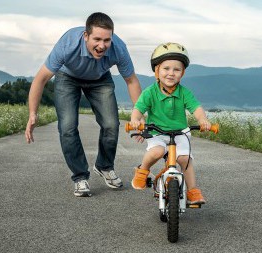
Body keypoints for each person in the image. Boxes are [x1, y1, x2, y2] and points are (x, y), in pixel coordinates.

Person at [25, 12, 142, 197]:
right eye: (97, 39)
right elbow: (41, 79)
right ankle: (80, 177)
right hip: (67, 77)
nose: (102, 45)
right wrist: (33, 113)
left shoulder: (118, 47)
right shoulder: (68, 44)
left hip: (100, 78)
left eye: (107, 40)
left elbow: (132, 81)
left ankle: (104, 166)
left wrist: (139, 114)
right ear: (86, 36)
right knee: (68, 126)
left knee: (111, 124)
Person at [128, 42, 210, 204]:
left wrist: (203, 120)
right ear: (157, 71)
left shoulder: (184, 93)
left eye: (176, 69)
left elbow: (197, 108)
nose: (171, 73)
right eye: (166, 69)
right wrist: (135, 120)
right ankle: (142, 170)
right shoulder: (150, 92)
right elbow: (138, 109)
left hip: (180, 132)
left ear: (182, 73)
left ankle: (193, 191)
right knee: (157, 151)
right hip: (156, 132)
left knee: (185, 159)